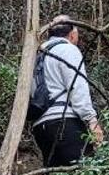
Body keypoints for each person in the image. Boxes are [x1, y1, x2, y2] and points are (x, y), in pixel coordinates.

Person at [31, 16, 104, 167]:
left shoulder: (36, 57)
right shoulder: (68, 49)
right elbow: (77, 87)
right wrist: (91, 120)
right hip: (64, 122)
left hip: (41, 128)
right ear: (72, 34)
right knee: (85, 172)